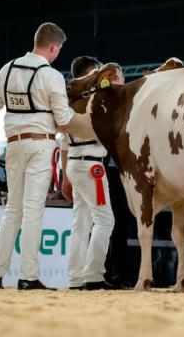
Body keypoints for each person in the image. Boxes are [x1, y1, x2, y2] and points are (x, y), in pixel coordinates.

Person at [0, 21, 74, 290]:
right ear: (53, 47)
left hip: (13, 145)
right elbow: (63, 120)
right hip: (41, 146)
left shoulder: (7, 69)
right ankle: (28, 276)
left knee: (13, 210)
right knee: (33, 211)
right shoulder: (52, 76)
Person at [61, 56, 119, 290]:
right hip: (91, 166)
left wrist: (66, 176)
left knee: (81, 222)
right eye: (95, 72)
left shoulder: (67, 102)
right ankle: (93, 275)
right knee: (105, 220)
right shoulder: (92, 101)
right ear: (88, 74)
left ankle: (75, 278)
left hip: (75, 163)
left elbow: (62, 144)